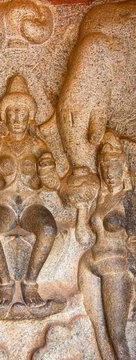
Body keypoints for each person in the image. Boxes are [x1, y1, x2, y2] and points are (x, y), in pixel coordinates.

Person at [0, 75, 59, 307]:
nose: (17, 117)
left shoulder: (38, 145)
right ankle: (5, 284)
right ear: (4, 117)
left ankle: (30, 284)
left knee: (49, 228)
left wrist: (47, 170)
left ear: (30, 117)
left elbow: (53, 184)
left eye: (22, 112)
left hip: (33, 203)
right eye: (12, 111)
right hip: (5, 203)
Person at [78, 131, 134, 360]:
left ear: (124, 168)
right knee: (99, 331)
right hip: (90, 263)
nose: (109, 172)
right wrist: (81, 209)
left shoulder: (129, 199)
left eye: (114, 166)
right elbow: (83, 236)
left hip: (116, 266)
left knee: (117, 334)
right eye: (105, 167)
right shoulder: (99, 199)